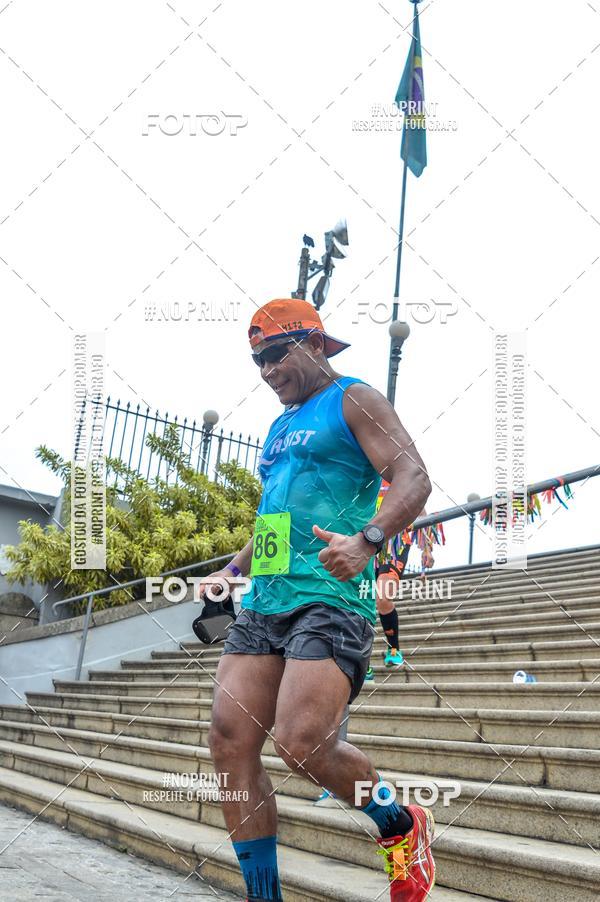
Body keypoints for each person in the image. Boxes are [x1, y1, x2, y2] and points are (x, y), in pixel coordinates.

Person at [201, 298, 434, 901]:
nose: (266, 371)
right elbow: (274, 518)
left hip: (331, 597)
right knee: (228, 739)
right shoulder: (280, 427)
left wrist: (368, 539)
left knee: (302, 743)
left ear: (316, 344)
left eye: (275, 355)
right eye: (257, 361)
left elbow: (412, 475)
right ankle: (263, 896)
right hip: (266, 602)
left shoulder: (355, 399)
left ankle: (401, 824)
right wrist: (233, 571)